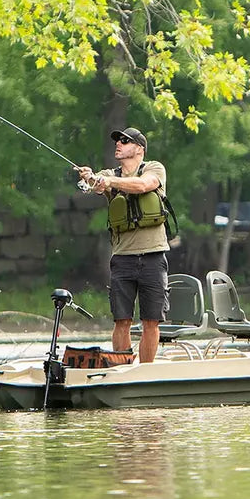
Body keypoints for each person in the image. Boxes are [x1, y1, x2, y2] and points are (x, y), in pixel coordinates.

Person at [77, 127, 170, 363]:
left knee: (151, 321)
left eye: (125, 141)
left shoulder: (154, 168)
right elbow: (99, 184)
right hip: (122, 258)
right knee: (122, 320)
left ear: (139, 148)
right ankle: (123, 369)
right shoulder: (109, 174)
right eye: (117, 141)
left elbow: (142, 185)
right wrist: (91, 178)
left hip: (153, 257)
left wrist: (107, 180)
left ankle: (145, 373)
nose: (118, 144)